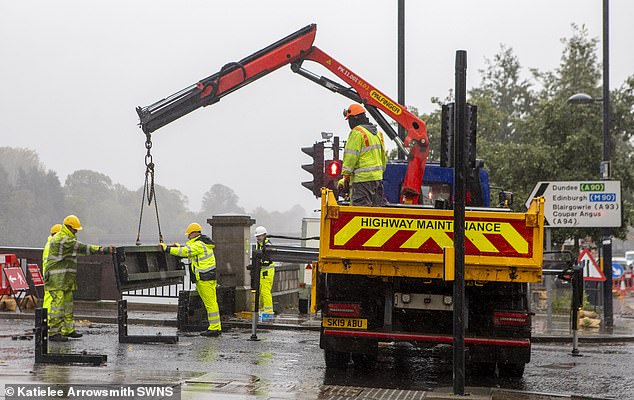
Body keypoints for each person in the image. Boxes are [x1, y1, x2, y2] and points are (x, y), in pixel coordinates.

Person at [44, 215, 114, 342]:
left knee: (67, 305)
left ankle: (68, 330)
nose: (76, 231)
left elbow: (79, 250)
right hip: (56, 279)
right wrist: (102, 250)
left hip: (65, 279)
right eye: (75, 229)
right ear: (69, 227)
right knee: (58, 306)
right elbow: (82, 248)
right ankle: (54, 333)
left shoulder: (67, 239)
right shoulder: (61, 240)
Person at [162, 223, 222, 337]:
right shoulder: (202, 244)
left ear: (194, 233)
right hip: (206, 277)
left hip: (204, 278)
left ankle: (214, 328)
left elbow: (185, 252)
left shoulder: (199, 245)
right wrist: (178, 247)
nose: (188, 237)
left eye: (189, 234)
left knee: (210, 304)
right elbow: (188, 251)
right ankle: (216, 327)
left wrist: (167, 249)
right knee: (211, 303)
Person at [338, 103, 387, 206]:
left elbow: (350, 158)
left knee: (360, 214)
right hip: (377, 181)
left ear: (354, 118)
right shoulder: (378, 134)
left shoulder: (357, 132)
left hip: (362, 182)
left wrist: (345, 178)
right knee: (373, 216)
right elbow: (383, 159)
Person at [254, 226, 275, 320]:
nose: (258, 238)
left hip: (267, 271)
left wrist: (260, 262)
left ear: (264, 235)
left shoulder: (267, 245)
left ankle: (268, 313)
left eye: (260, 236)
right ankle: (262, 310)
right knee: (262, 292)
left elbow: (268, 259)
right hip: (263, 271)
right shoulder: (260, 244)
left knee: (265, 292)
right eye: (257, 236)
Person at [42, 223, 62, 318]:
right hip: (52, 276)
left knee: (48, 298)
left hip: (49, 275)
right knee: (51, 299)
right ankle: (48, 319)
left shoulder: (49, 244)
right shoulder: (53, 245)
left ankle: (46, 319)